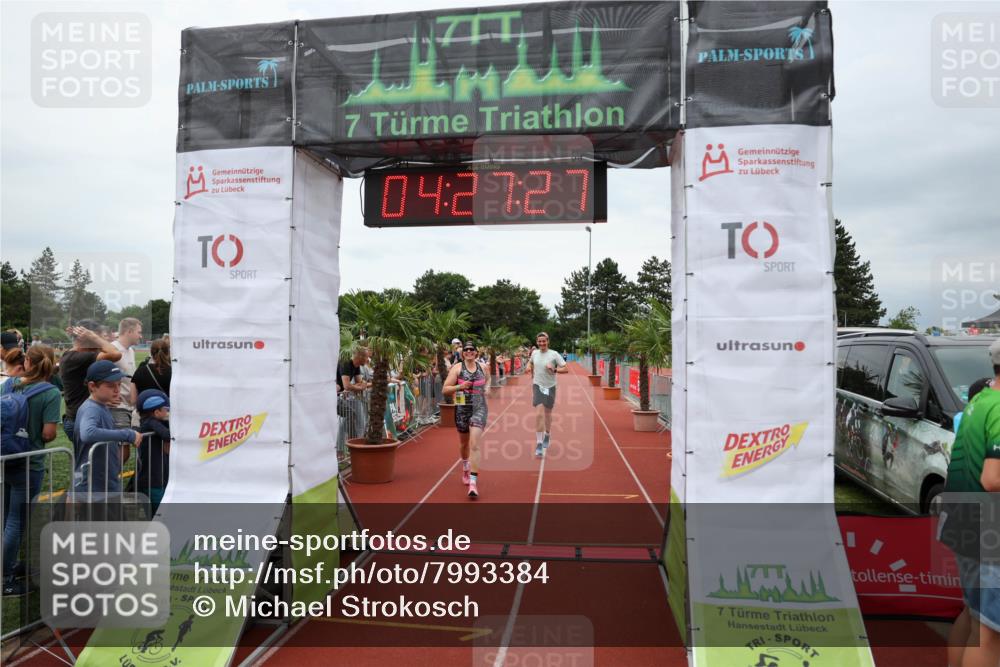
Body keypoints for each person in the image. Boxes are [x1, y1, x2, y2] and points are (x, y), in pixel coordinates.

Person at [945, 339, 1000, 667]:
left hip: (964, 521)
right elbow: (993, 479)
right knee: (991, 635)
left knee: (972, 614)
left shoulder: (981, 399)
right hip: (990, 529)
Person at [2, 344, 60, 596]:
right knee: (16, 522)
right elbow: (48, 434)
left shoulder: (9, 385)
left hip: (5, 457)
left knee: (5, 519)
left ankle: (8, 564)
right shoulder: (50, 393)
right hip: (29, 462)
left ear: (27, 363)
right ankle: (5, 578)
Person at [72, 360, 143, 496]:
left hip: (102, 482)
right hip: (95, 487)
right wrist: (127, 434)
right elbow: (88, 433)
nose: (117, 390)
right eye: (111, 386)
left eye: (119, 384)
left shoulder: (100, 405)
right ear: (92, 386)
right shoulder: (92, 409)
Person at [59, 321, 122, 440]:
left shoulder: (75, 355)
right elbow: (116, 353)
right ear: (85, 338)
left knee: (96, 457)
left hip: (81, 416)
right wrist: (92, 336)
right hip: (80, 419)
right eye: (96, 336)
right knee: (90, 458)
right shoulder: (78, 357)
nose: (99, 340)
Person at [443, 341, 489, 499]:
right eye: (466, 350)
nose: (469, 351)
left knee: (474, 444)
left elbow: (487, 381)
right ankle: (465, 467)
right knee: (464, 444)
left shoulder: (483, 367)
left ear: (476, 353)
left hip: (479, 408)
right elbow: (445, 389)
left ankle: (473, 483)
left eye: (472, 349)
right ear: (463, 354)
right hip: (462, 408)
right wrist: (459, 388)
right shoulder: (457, 368)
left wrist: (486, 390)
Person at [524, 332, 568, 457]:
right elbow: (530, 362)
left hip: (550, 387)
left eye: (544, 341)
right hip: (537, 385)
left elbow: (566, 368)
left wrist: (554, 369)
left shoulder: (554, 354)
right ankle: (538, 443)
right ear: (537, 342)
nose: (542, 343)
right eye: (540, 341)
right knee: (538, 414)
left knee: (548, 414)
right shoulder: (534, 353)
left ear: (548, 341)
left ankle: (547, 435)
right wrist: (528, 367)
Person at [135, 389, 170, 512]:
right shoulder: (149, 423)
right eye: (166, 409)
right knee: (160, 513)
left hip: (157, 478)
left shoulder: (153, 421)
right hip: (151, 481)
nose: (168, 412)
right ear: (156, 412)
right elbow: (167, 435)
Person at [111, 318, 143, 428]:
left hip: (130, 406)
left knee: (131, 441)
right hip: (117, 408)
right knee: (122, 443)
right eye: (139, 332)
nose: (141, 336)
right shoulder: (112, 350)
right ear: (129, 331)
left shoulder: (131, 351)